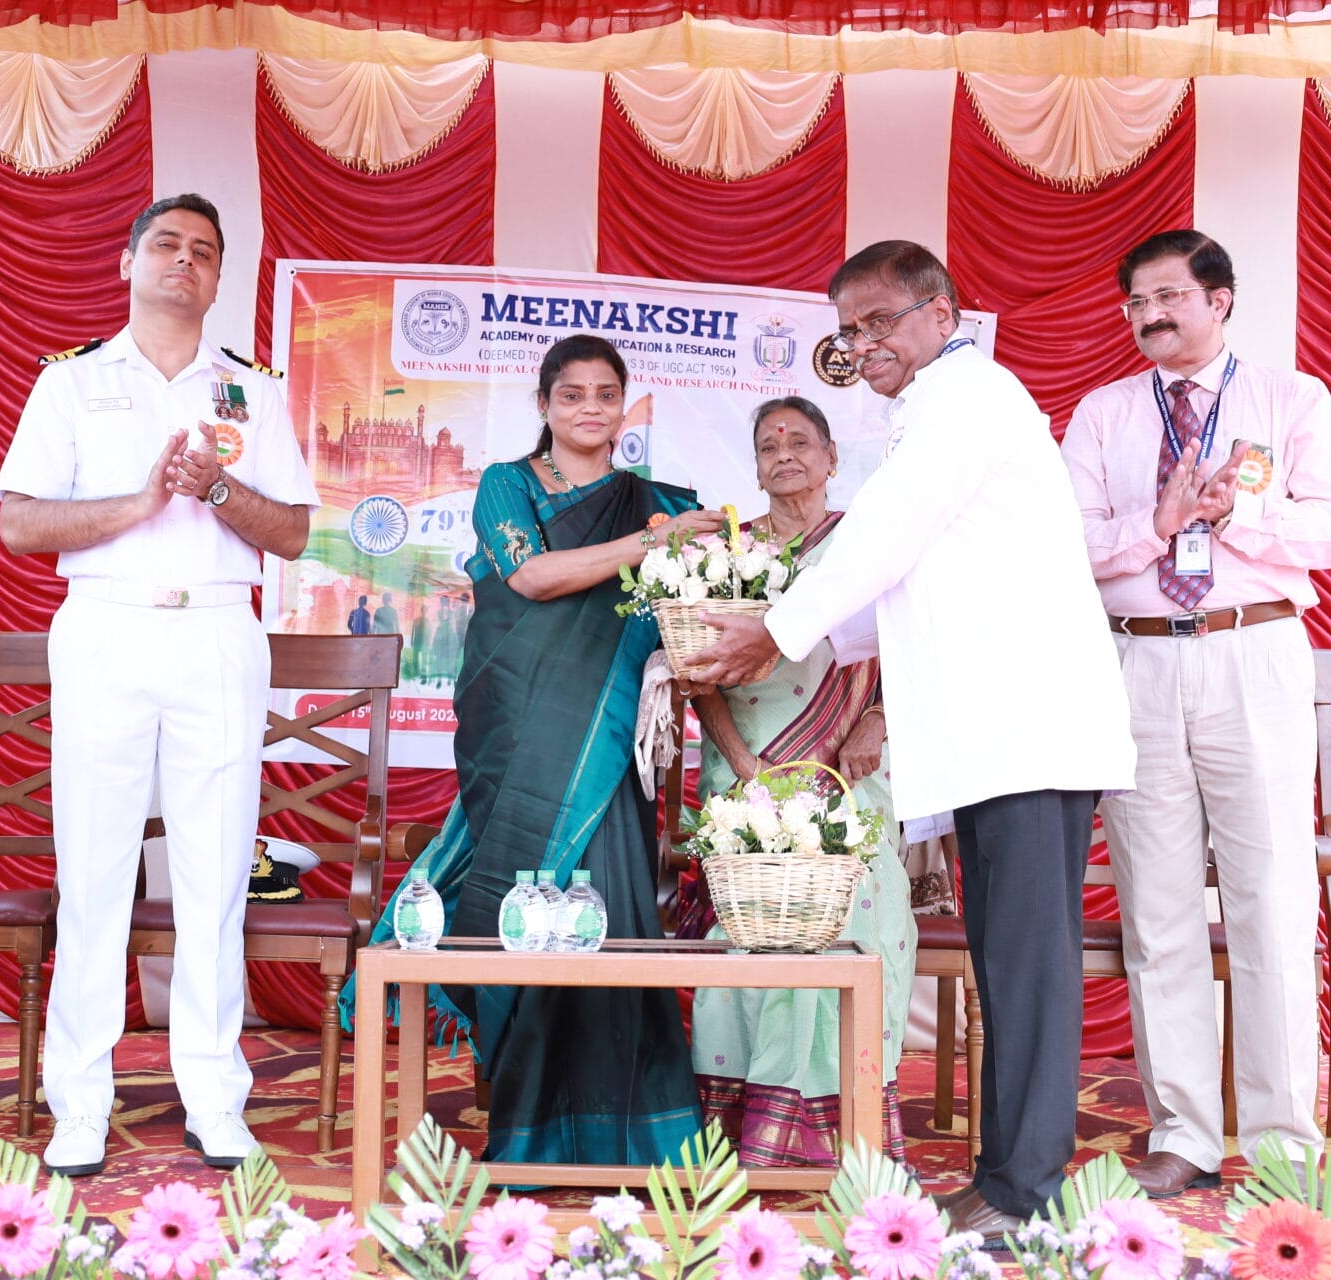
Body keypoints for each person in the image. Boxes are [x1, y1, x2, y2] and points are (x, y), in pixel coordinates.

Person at [687, 241, 1135, 1236]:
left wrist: (775, 631)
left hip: (1027, 729)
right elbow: (896, 580)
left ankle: (1027, 1188)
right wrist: (784, 635)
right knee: (1004, 960)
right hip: (997, 734)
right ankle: (1007, 1177)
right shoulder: (929, 408)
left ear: (943, 313)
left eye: (880, 320)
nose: (862, 344)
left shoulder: (966, 398)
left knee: (1026, 964)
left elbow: (882, 536)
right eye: (849, 330)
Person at [0, 193, 319, 1176]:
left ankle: (214, 1097)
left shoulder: (250, 392)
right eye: (167, 244)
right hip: (107, 625)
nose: (185, 260)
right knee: (95, 872)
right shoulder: (72, 382)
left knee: (214, 875)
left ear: (219, 279)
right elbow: (20, 522)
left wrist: (215, 489)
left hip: (217, 626)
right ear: (127, 262)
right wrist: (138, 503)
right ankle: (80, 1101)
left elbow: (294, 532)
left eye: (204, 251)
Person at [342, 334, 725, 1165]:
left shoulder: (655, 500)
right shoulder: (507, 484)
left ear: (624, 406)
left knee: (611, 904)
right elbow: (531, 577)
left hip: (605, 733)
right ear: (545, 404)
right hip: (514, 721)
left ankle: (634, 1133)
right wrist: (653, 545)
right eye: (572, 394)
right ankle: (529, 1127)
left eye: (606, 394)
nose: (590, 408)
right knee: (523, 900)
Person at [1060, 229, 1331, 1196]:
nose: (1148, 316)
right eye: (1135, 303)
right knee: (1158, 913)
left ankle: (1282, 1145)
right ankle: (1182, 1134)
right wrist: (1155, 525)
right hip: (1137, 663)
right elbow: (1066, 545)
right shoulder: (1104, 413)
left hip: (1252, 653)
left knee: (1274, 903)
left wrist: (1236, 515)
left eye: (1168, 297)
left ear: (1219, 300)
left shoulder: (1289, 399)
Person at [680, 398, 915, 1167]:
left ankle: (846, 1129)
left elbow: (915, 646)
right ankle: (752, 1131)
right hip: (745, 771)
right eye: (768, 445)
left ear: (831, 458)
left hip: (850, 770)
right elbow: (699, 672)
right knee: (748, 935)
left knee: (861, 924)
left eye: (801, 442)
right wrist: (747, 768)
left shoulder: (866, 546)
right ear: (754, 466)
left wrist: (875, 723)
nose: (784, 455)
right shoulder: (726, 554)